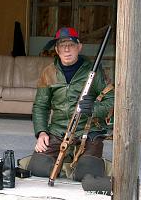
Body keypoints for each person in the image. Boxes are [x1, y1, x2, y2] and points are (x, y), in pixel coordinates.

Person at [29, 27, 114, 181]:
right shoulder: (48, 73)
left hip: (88, 132)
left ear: (79, 47)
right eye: (62, 45)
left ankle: (85, 162)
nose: (67, 49)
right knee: (37, 168)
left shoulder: (94, 72)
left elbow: (112, 99)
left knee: (86, 174)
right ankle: (69, 160)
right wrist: (41, 133)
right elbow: (40, 106)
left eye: (71, 44)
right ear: (56, 49)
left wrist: (94, 109)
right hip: (58, 131)